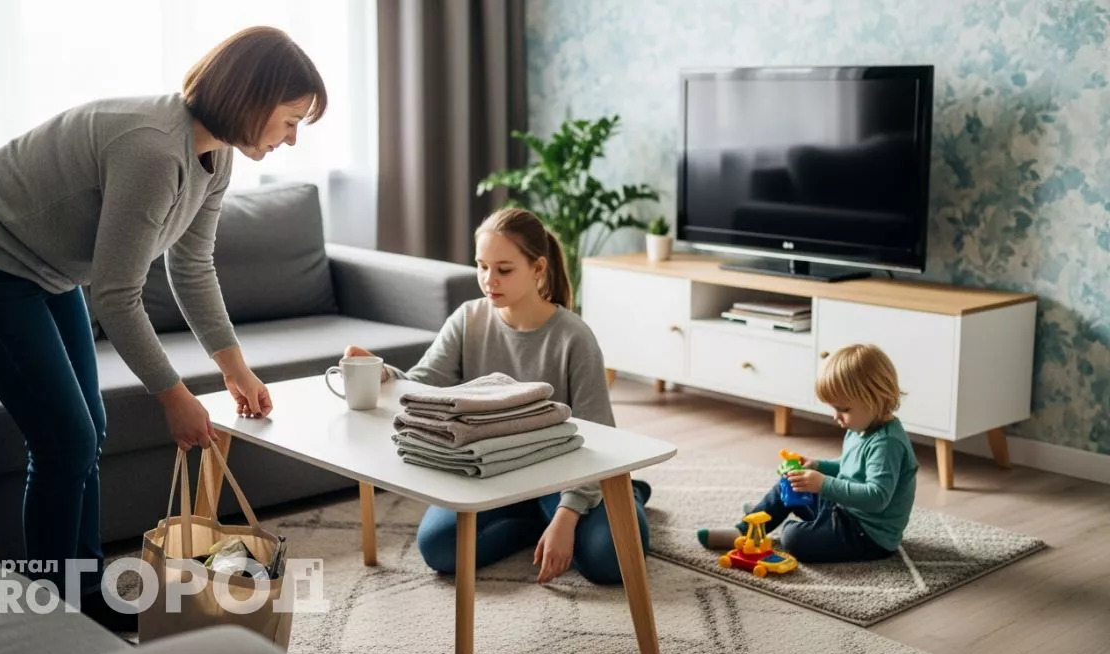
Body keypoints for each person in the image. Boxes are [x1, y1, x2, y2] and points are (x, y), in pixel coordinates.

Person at [0, 26, 327, 629]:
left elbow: (191, 265)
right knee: (65, 439)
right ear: (252, 98)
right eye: (290, 120)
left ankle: (82, 590)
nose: (292, 138)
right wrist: (174, 396)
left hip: (47, 271)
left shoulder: (215, 156)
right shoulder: (154, 151)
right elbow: (117, 296)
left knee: (88, 430)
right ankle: (52, 615)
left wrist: (234, 368)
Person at [345, 207, 651, 585]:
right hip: (491, 471)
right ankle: (531, 520)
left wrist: (567, 515)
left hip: (566, 475)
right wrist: (381, 373)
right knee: (439, 548)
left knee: (611, 558)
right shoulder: (468, 319)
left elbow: (602, 441)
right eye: (481, 266)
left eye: (504, 270)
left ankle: (624, 496)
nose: (489, 280)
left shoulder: (574, 337)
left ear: (538, 268)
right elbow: (422, 386)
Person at [697, 344, 918, 562]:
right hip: (843, 509)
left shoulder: (888, 443)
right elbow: (850, 466)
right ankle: (746, 529)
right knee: (793, 481)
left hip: (866, 535)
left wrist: (823, 484)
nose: (836, 416)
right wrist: (818, 466)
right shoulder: (860, 426)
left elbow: (877, 497)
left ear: (876, 399)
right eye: (834, 408)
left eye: (844, 409)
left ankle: (777, 518)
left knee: (792, 537)